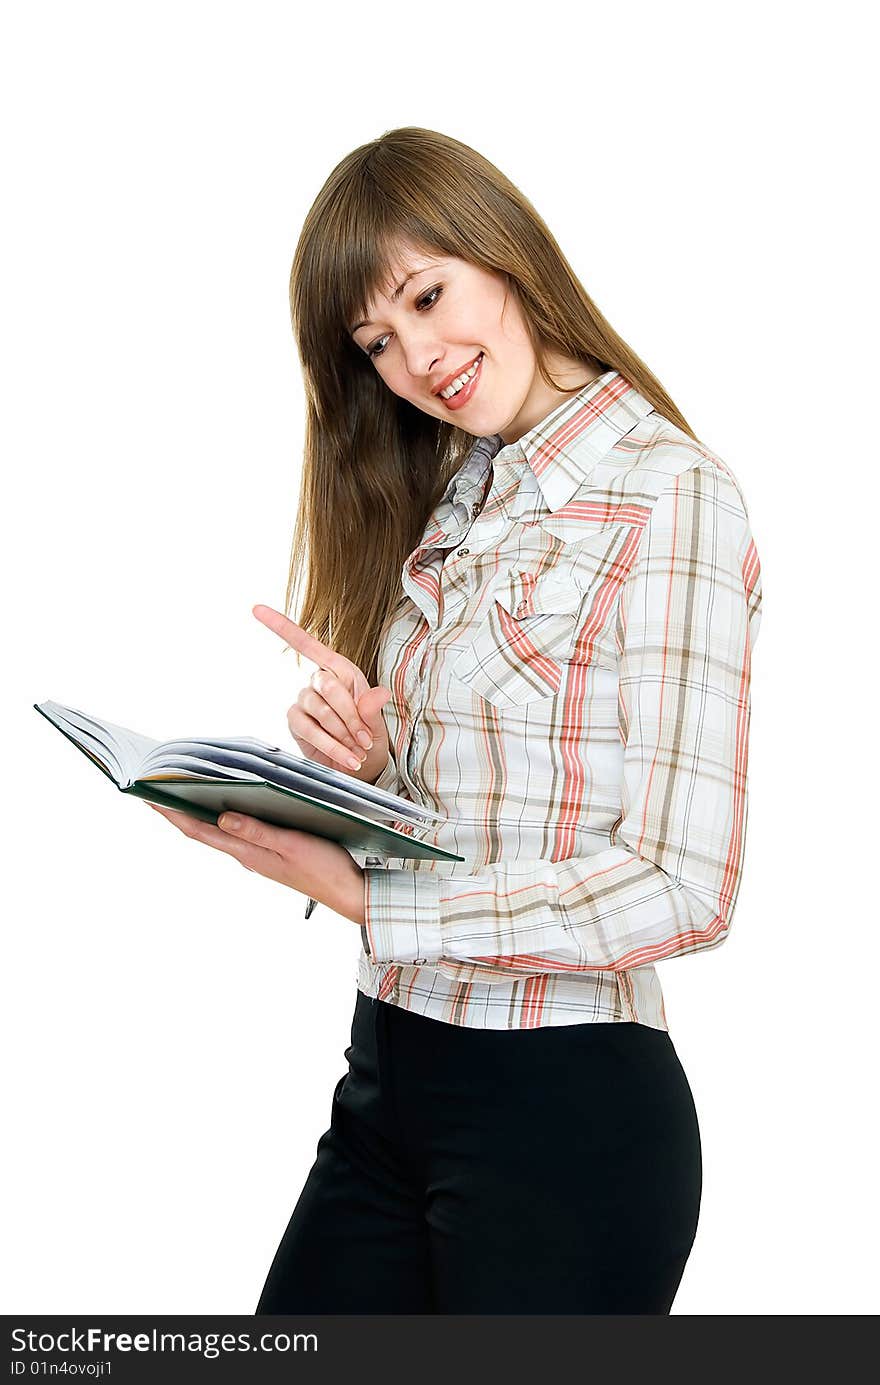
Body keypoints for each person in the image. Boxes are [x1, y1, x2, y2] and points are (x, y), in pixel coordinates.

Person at [148, 127, 763, 1313]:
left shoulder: (672, 495)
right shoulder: (459, 494)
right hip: (386, 1070)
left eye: (428, 297)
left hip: (565, 1112)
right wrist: (374, 765)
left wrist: (377, 893)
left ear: (505, 250)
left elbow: (686, 885)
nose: (419, 357)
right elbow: (492, 803)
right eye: (377, 342)